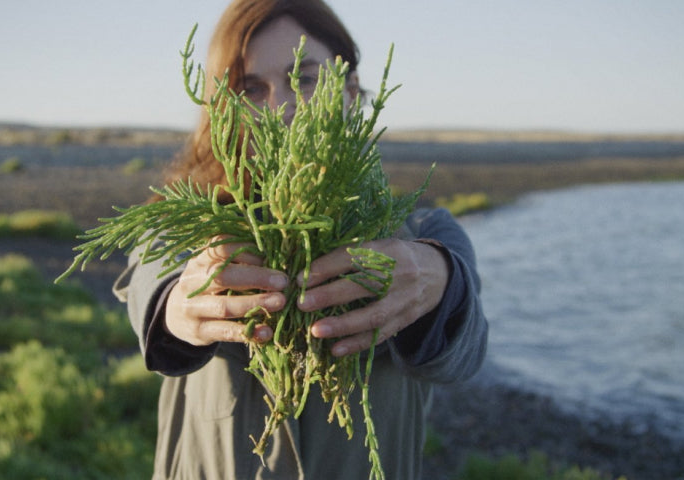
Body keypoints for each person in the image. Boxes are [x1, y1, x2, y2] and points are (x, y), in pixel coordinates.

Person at [113, 0, 488, 478]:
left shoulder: (422, 238)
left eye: (305, 78)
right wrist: (176, 306)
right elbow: (152, 272)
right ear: (223, 110)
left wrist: (443, 282)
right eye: (251, 88)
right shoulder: (189, 226)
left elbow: (467, 353)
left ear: (351, 89)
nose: (281, 106)